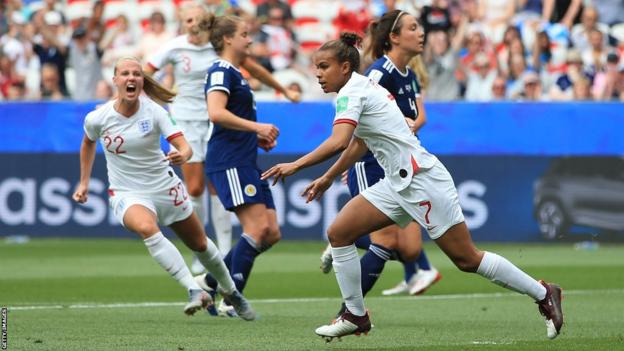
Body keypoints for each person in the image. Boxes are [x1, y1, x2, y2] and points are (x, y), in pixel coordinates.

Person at [261, 32, 563, 341]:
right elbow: (359, 142)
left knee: (466, 259)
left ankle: (543, 292)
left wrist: (295, 165)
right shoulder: (360, 87)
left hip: (422, 181)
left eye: (324, 66)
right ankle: (355, 315)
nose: (318, 74)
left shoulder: (352, 92)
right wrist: (327, 178)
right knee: (339, 233)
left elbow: (339, 141)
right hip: (398, 182)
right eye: (317, 67)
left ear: (346, 67)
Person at [72, 56, 255, 321]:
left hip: (165, 188)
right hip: (127, 192)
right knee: (147, 228)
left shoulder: (154, 112)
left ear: (142, 80)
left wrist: (183, 153)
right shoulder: (98, 118)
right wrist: (84, 181)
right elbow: (88, 143)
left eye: (136, 73)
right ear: (115, 80)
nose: (131, 78)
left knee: (200, 244)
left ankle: (231, 291)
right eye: (125, 73)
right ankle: (194, 289)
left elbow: (184, 146)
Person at [144, 5, 300, 273]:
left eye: (197, 19)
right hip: (185, 121)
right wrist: (164, 97)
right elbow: (144, 72)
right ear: (182, 22)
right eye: (188, 19)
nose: (193, 24)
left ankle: (224, 249)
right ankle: (200, 249)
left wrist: (283, 89)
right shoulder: (175, 47)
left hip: (213, 121)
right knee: (194, 189)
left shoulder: (218, 53)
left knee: (217, 188)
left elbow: (253, 68)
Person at [319, 11, 441, 305]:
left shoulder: (409, 75)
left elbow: (414, 116)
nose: (422, 32)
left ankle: (342, 244)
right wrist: (347, 161)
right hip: (370, 161)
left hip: (400, 165)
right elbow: (356, 116)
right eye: (414, 27)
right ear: (394, 37)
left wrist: (411, 125)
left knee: (410, 249)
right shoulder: (378, 72)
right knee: (383, 240)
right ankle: (350, 309)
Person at [194, 15, 282, 318]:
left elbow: (229, 118)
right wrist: (257, 128)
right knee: (257, 229)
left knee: (271, 233)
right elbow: (216, 113)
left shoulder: (236, 72)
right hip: (229, 160)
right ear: (228, 39)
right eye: (245, 34)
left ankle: (208, 281)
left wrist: (254, 137)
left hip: (245, 158)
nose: (249, 39)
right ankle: (231, 299)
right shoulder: (221, 70)